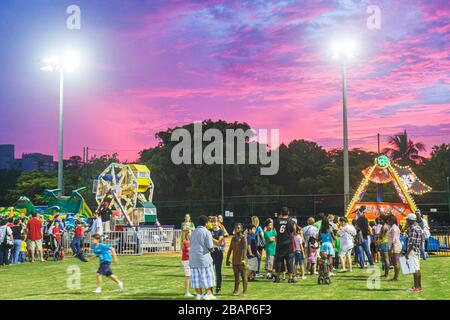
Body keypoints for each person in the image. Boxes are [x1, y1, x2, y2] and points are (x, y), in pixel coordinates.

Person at [189, 215, 216, 300]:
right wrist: (214, 249)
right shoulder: (206, 231)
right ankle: (208, 293)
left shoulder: (193, 231)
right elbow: (210, 246)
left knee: (196, 278)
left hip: (193, 258)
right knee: (207, 276)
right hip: (203, 259)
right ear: (206, 223)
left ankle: (199, 295)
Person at [273, 206, 296, 283]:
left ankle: (277, 277)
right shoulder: (291, 221)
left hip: (279, 243)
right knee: (289, 260)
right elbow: (294, 231)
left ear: (281, 213)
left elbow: (275, 230)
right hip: (288, 244)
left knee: (279, 260)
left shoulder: (276, 221)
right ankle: (290, 278)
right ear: (288, 213)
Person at [226, 223, 247, 296]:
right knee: (236, 276)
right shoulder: (233, 238)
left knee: (244, 276)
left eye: (238, 228)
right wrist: (227, 259)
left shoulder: (243, 238)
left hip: (241, 260)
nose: (237, 229)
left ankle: (244, 292)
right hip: (235, 260)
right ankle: (236, 290)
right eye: (235, 228)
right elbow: (230, 249)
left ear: (241, 229)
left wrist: (243, 259)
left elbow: (245, 249)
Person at [405, 213, 424, 292]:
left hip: (413, 250)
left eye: (407, 219)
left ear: (410, 220)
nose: (406, 220)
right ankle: (419, 286)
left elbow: (412, 243)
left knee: (415, 269)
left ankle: (416, 287)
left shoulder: (413, 228)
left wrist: (407, 253)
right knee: (417, 268)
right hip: (417, 250)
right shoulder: (418, 227)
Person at [211, 217, 225, 295]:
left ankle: (218, 288)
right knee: (210, 272)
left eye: (215, 222)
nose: (214, 223)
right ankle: (209, 289)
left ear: (218, 222)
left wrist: (211, 238)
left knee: (218, 271)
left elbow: (219, 243)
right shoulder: (209, 231)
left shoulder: (221, 232)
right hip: (210, 253)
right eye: (212, 222)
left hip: (218, 253)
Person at [387, 215, 402, 281]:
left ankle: (396, 277)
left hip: (395, 246)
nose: (387, 221)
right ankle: (395, 277)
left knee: (396, 262)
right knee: (395, 262)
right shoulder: (393, 227)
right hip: (394, 246)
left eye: (388, 220)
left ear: (392, 220)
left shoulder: (394, 228)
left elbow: (394, 239)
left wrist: (391, 249)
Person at [181, 230, 193, 297]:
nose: (190, 235)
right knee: (188, 277)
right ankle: (187, 292)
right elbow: (189, 252)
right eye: (189, 234)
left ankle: (188, 292)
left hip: (187, 260)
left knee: (188, 276)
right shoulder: (187, 242)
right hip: (186, 261)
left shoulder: (188, 242)